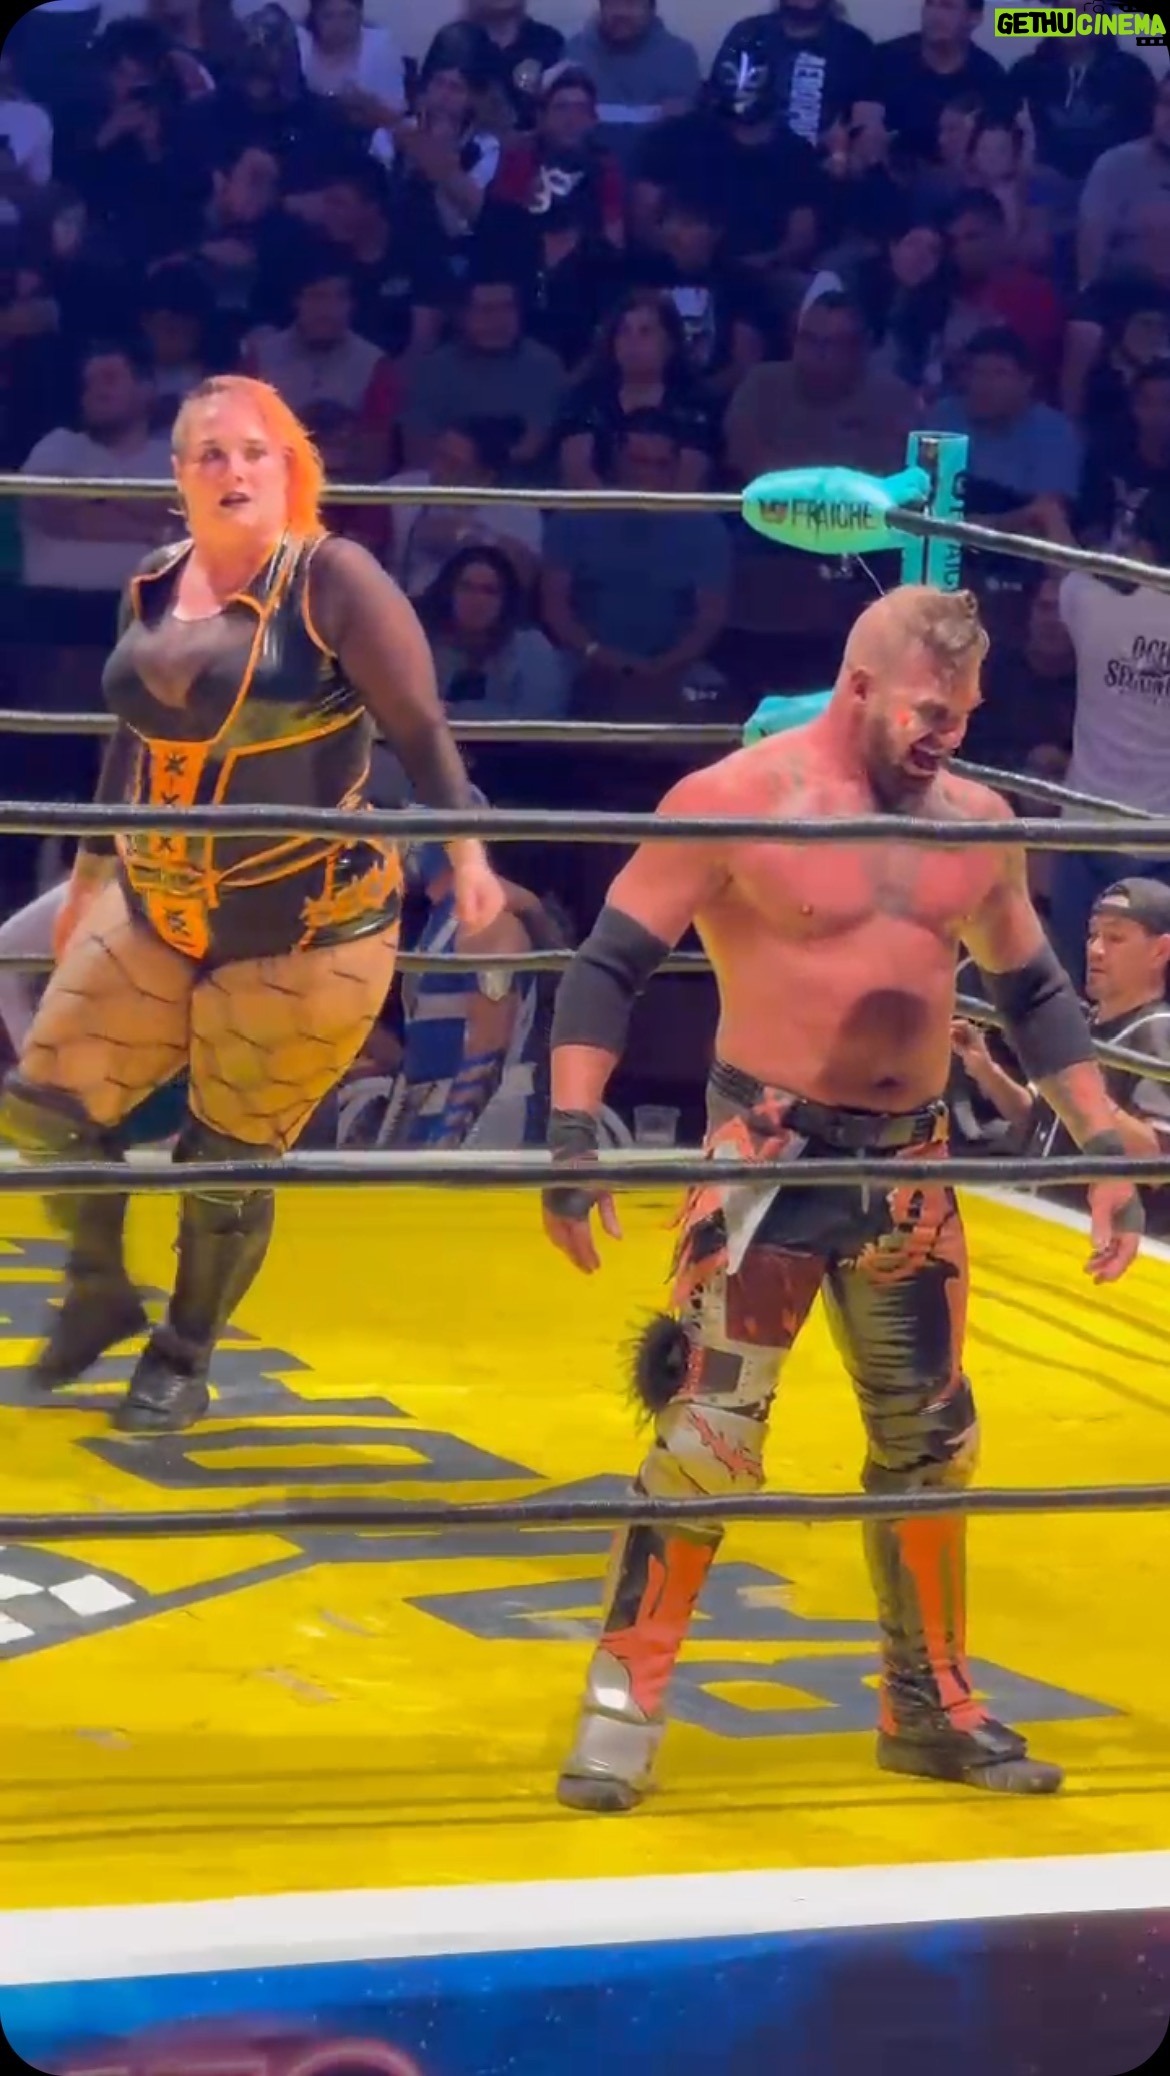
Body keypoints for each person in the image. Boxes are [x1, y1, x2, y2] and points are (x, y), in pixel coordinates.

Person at [541, 584, 1143, 1814]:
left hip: (912, 1171)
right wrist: (570, 1134)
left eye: (966, 715)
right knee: (707, 1442)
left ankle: (929, 1707)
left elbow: (1032, 990)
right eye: (930, 712)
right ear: (859, 688)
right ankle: (620, 1707)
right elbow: (609, 964)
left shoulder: (975, 823)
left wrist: (1100, 1133)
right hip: (768, 1159)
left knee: (933, 1440)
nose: (950, 736)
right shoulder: (734, 802)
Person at [0, 373, 503, 1438]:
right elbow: (130, 741)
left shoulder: (334, 578)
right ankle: (98, 1290)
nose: (231, 470)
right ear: (178, 476)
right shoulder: (151, 581)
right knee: (44, 1105)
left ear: (290, 467)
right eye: (209, 454)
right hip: (159, 902)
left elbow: (419, 726)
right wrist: (89, 872)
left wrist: (467, 853)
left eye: (252, 451)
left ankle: (182, 1354)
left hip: (302, 926)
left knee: (223, 1162)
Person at [953, 880, 1170, 1232]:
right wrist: (985, 1069)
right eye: (1093, 935)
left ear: (1160, 951)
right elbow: (1037, 1116)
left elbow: (1156, 1157)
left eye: (1115, 938)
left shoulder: (1159, 1030)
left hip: (1098, 1235)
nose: (1096, 950)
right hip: (1040, 1218)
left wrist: (1086, 1095)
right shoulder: (1081, 1024)